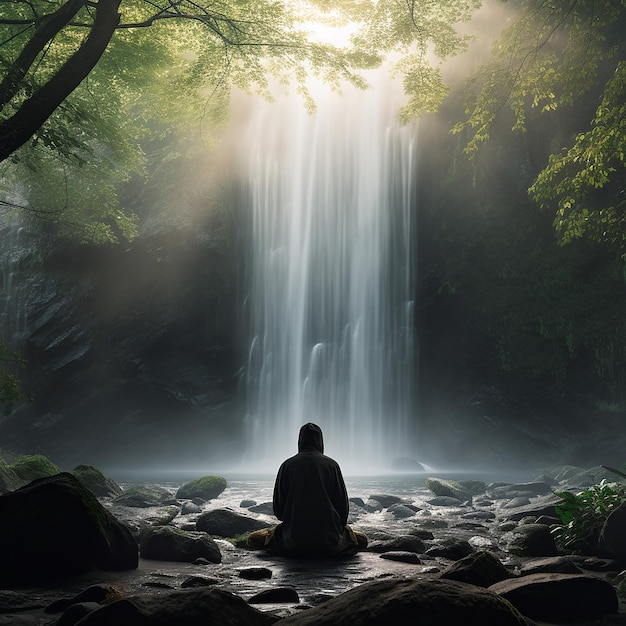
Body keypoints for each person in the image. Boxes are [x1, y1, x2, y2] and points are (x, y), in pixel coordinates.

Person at [248, 422, 367, 557]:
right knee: (362, 539)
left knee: (253, 539)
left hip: (292, 541)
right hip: (329, 542)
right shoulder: (332, 465)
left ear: (300, 441)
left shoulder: (287, 465)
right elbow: (343, 511)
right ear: (321, 441)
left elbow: (279, 511)